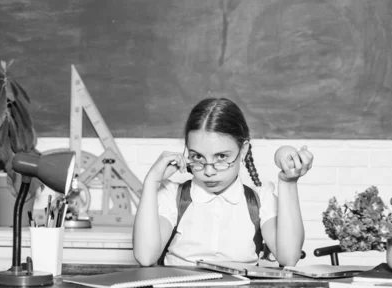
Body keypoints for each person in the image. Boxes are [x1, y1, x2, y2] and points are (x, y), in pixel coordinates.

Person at [132, 97, 314, 267]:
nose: (209, 171)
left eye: (221, 156)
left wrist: (288, 183)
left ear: (243, 151)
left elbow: (289, 257)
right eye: (197, 156)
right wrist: (151, 181)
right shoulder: (172, 196)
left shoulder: (260, 199)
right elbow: (146, 257)